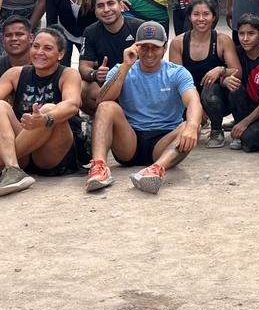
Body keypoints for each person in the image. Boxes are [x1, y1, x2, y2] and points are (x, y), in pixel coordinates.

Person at [0, 28, 83, 196]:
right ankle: (13, 169)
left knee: (48, 108)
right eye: (36, 46)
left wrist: (45, 118)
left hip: (52, 155)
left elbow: (72, 105)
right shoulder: (15, 73)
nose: (40, 52)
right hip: (24, 154)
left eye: (47, 48)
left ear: (60, 54)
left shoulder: (68, 74)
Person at [85, 21, 201, 195]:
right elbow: (101, 99)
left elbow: (193, 100)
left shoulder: (177, 72)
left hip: (164, 141)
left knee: (192, 126)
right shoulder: (121, 69)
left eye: (155, 47)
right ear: (135, 47)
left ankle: (156, 169)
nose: (149, 53)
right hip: (129, 140)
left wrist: (191, 126)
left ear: (164, 47)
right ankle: (99, 166)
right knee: (106, 107)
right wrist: (126, 66)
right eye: (144, 47)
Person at [169, 0, 241, 148]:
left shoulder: (222, 40)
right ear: (189, 17)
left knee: (213, 90)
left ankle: (216, 130)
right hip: (188, 96)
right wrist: (195, 106)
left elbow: (237, 71)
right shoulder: (178, 43)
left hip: (216, 97)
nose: (201, 19)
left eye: (206, 14)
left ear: (214, 17)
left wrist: (221, 70)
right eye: (196, 14)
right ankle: (196, 120)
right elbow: (175, 80)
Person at [79, 0, 144, 113]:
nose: (106, 9)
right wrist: (95, 74)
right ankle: (99, 118)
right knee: (81, 86)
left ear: (121, 6)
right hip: (108, 87)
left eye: (110, 3)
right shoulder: (90, 32)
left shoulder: (139, 27)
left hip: (137, 84)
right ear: (95, 11)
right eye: (100, 6)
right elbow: (83, 67)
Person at [225, 13, 259, 152]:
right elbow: (225, 79)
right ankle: (238, 129)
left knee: (250, 142)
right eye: (241, 34)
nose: (245, 39)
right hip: (241, 109)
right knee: (234, 86)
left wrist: (245, 123)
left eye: (251, 33)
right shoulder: (234, 54)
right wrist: (224, 80)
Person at [0, 16, 34, 91]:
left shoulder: (44, 65)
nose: (14, 38)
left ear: (31, 38)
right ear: (3, 40)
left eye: (19, 34)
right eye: (8, 35)